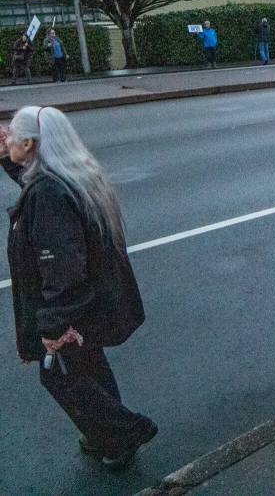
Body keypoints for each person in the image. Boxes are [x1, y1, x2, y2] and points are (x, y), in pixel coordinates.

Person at [1, 106, 156, 470]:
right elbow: (31, 178)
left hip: (71, 308)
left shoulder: (48, 194)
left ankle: (121, 434)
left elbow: (62, 266)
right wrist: (6, 157)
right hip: (90, 302)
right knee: (87, 367)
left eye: (12, 136)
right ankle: (105, 434)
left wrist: (54, 324)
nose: (6, 138)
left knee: (58, 374)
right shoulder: (71, 174)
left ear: (30, 143)